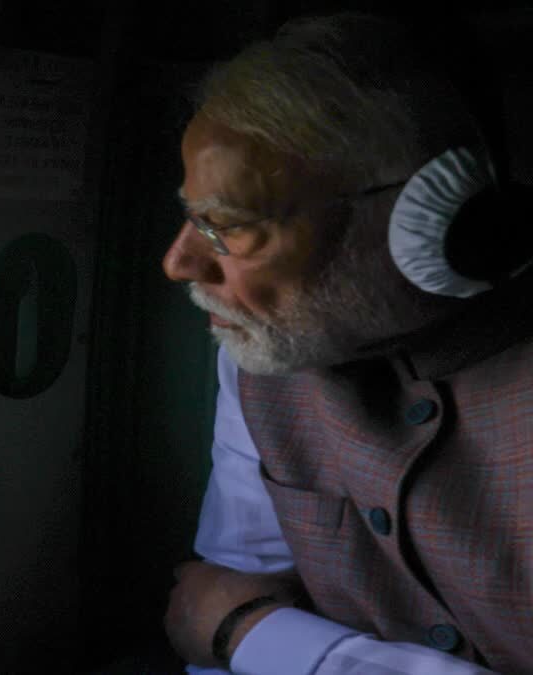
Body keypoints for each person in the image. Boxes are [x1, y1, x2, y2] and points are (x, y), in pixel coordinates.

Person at [160, 12, 532, 675]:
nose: (180, 262)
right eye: (192, 217)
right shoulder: (257, 360)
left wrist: (248, 634)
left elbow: (227, 619)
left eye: (230, 227)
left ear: (428, 218)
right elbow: (234, 584)